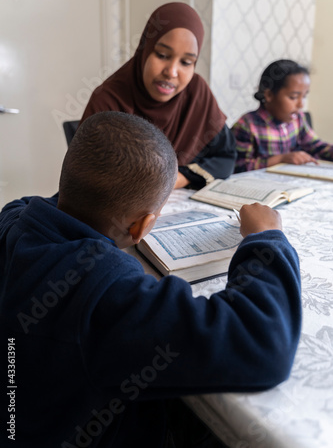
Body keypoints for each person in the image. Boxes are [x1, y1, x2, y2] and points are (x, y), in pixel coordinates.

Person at [0, 111, 302, 448]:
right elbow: (263, 343)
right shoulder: (102, 291)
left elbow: (30, 203)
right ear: (141, 228)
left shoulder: (13, 220)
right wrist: (266, 239)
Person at [80, 2, 237, 189]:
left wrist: (179, 178)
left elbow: (225, 157)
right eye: (162, 55)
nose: (171, 72)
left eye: (186, 62)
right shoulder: (108, 100)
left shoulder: (196, 92)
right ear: (144, 50)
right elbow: (88, 177)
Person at [231, 59, 333, 173]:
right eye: (293, 97)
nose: (301, 104)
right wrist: (281, 159)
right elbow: (238, 167)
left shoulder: (298, 119)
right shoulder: (246, 125)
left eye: (304, 96)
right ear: (269, 95)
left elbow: (316, 146)